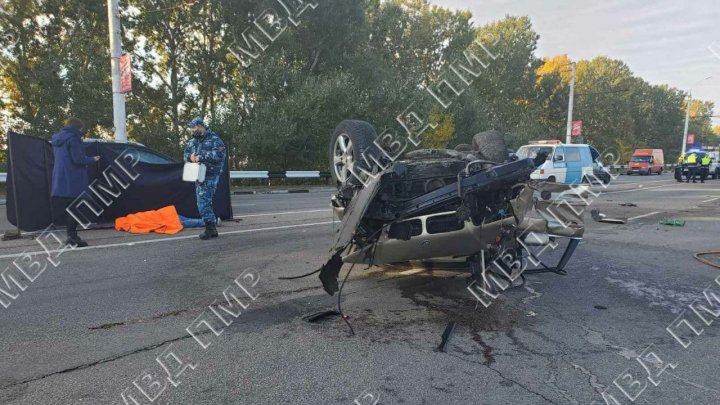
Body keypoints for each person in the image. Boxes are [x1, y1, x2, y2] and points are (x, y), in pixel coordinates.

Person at [51, 118, 100, 247]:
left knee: (70, 208)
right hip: (73, 179)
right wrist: (93, 159)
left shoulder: (58, 139)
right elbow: (78, 159)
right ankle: (72, 238)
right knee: (75, 208)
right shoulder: (73, 139)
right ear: (77, 128)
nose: (81, 131)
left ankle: (71, 236)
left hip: (61, 178)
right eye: (81, 129)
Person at [184, 117, 227, 240]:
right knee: (202, 201)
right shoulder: (193, 142)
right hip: (198, 174)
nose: (192, 130)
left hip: (210, 174)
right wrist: (190, 158)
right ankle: (211, 228)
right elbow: (186, 155)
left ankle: (210, 228)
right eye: (191, 128)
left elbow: (219, 155)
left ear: (201, 125)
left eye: (194, 127)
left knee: (203, 201)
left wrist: (201, 157)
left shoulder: (215, 140)